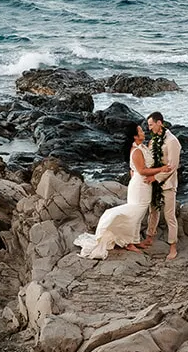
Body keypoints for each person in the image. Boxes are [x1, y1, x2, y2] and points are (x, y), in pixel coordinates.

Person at [74, 122, 164, 259]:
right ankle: (127, 242)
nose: (144, 132)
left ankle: (134, 240)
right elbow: (142, 170)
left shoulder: (141, 147)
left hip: (143, 185)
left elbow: (135, 168)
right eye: (140, 131)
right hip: (140, 185)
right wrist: (161, 170)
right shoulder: (137, 151)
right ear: (135, 136)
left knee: (138, 214)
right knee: (135, 212)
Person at [137, 111, 181, 260]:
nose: (149, 128)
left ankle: (173, 247)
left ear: (159, 123)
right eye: (148, 125)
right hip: (155, 183)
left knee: (169, 216)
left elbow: (172, 166)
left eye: (151, 125)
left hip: (168, 183)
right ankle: (149, 238)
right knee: (153, 211)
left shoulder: (172, 141)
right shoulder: (154, 140)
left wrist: (155, 177)